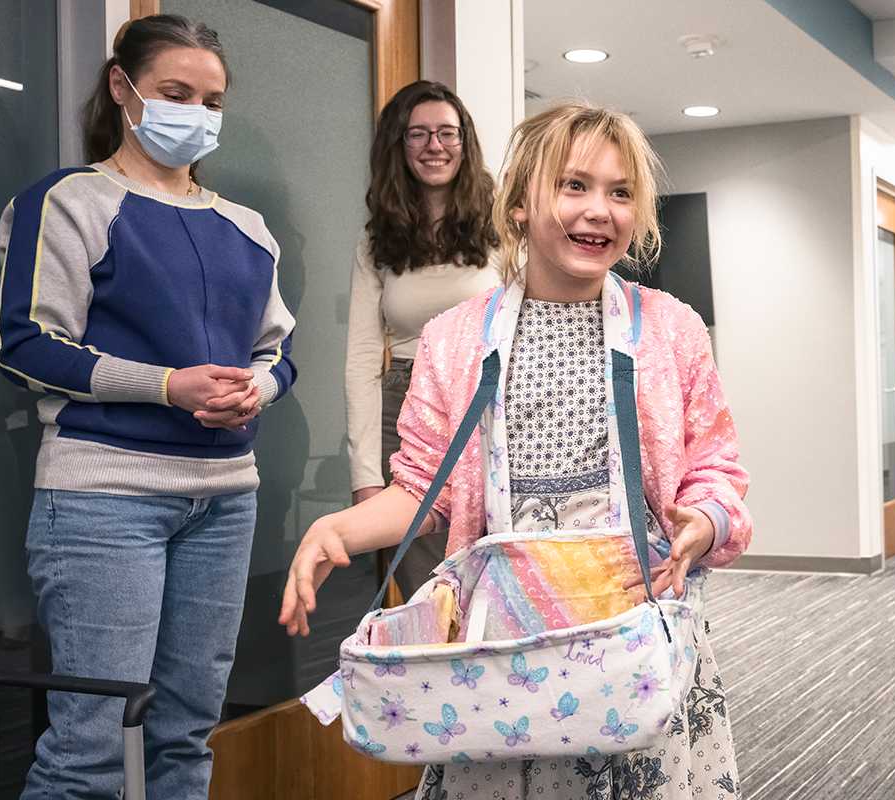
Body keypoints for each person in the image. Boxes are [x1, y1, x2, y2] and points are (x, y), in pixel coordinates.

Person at [281, 101, 751, 799]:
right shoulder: (453, 340)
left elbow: (717, 468)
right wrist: (338, 529)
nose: (600, 211)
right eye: (574, 186)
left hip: (631, 633)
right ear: (520, 203)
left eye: (621, 193)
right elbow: (422, 487)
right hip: (505, 649)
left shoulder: (671, 329)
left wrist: (704, 521)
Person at [0, 15, 296, 798]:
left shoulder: (249, 229)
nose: (196, 113)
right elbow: (25, 344)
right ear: (122, 88)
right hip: (103, 498)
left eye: (211, 100)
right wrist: (167, 385)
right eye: (175, 93)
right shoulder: (68, 202)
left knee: (187, 736)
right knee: (90, 748)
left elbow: (278, 351)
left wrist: (256, 388)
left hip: (225, 500)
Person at [345, 80, 500, 598]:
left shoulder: (504, 224)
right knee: (426, 582)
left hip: (493, 401)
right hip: (408, 409)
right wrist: (365, 472)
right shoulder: (376, 240)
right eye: (418, 134)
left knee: (499, 562)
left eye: (447, 133)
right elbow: (363, 359)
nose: (435, 146)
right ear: (399, 145)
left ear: (465, 141)